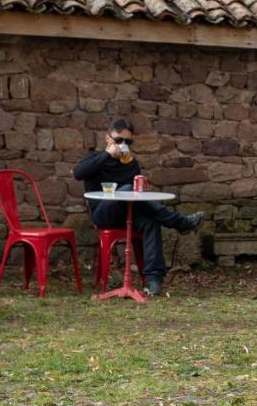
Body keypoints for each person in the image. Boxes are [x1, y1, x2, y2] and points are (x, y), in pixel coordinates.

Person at [73, 118, 205, 296]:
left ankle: (153, 281)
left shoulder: (131, 163)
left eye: (128, 141)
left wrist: (140, 186)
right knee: (126, 189)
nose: (123, 145)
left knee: (150, 221)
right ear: (108, 139)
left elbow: (136, 194)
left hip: (128, 214)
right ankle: (179, 222)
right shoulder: (95, 158)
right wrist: (107, 155)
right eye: (119, 140)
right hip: (103, 214)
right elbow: (78, 173)